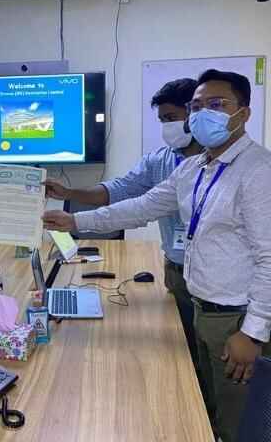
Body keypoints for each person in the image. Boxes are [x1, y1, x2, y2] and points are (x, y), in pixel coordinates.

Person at [43, 70, 271, 442]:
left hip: (235, 316)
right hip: (204, 307)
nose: (202, 114)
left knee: (239, 422)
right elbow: (141, 206)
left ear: (243, 114)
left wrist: (252, 332)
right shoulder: (196, 168)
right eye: (196, 106)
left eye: (216, 105)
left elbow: (269, 258)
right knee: (210, 406)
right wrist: (75, 220)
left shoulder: (258, 170)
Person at [45, 78, 202, 365]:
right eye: (162, 120)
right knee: (184, 352)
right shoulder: (162, 161)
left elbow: (141, 209)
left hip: (213, 281)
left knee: (213, 358)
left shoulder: (218, 163)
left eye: (171, 118)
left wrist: (75, 221)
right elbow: (121, 192)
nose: (166, 127)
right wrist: (70, 194)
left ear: (194, 113)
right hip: (177, 270)